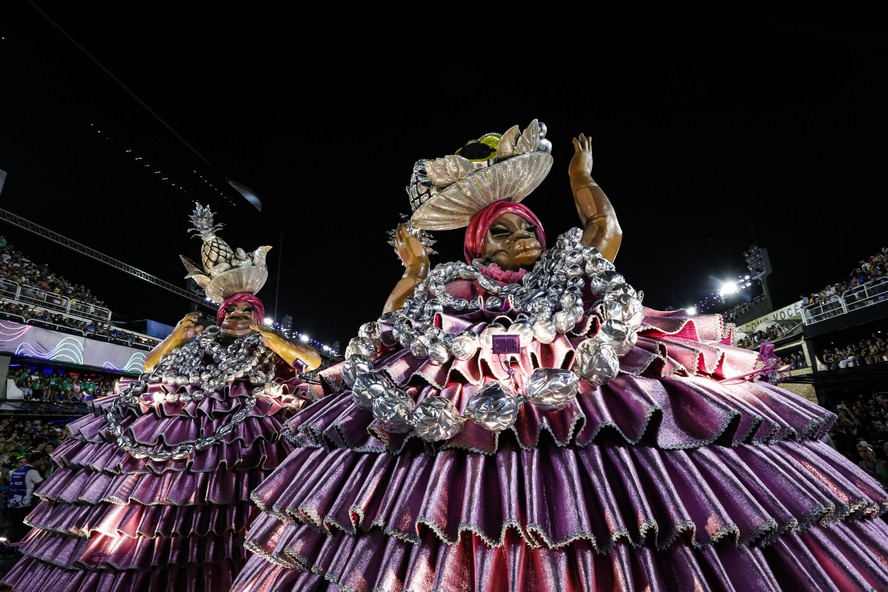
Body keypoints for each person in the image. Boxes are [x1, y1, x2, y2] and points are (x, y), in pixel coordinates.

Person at [233, 120, 888, 591]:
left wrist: (581, 178)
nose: (522, 237)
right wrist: (412, 268)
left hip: (577, 386)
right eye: (505, 230)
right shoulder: (453, 286)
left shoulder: (565, 274)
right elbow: (394, 322)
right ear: (478, 245)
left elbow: (608, 233)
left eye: (529, 228)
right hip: (465, 405)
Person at [0, 203, 323, 591]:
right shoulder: (197, 342)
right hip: (177, 425)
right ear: (219, 315)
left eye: (246, 310)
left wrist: (267, 336)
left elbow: (312, 361)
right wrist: (175, 338)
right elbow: (150, 366)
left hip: (244, 434)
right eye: (230, 310)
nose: (238, 316)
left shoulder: (267, 344)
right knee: (157, 505)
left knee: (226, 510)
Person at [4, 451, 46, 544]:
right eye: (42, 461)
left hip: (12, 503)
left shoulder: (16, 471)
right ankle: (22, 548)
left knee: (14, 527)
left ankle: (11, 547)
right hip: (24, 504)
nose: (43, 463)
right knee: (24, 529)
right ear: (38, 460)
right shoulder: (32, 471)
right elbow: (44, 484)